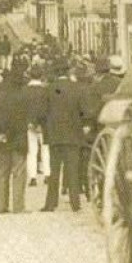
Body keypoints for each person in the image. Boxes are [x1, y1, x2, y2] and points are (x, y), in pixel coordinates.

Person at [42, 62, 87, 213]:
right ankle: (75, 203)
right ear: (68, 72)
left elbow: (44, 112)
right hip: (73, 134)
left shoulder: (49, 89)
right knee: (72, 170)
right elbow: (83, 110)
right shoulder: (76, 88)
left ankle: (51, 203)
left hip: (55, 135)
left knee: (54, 170)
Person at [0, 70, 30, 214]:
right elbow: (22, 120)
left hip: (2, 139)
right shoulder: (23, 97)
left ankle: (2, 205)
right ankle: (18, 206)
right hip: (18, 139)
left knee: (3, 172)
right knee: (19, 172)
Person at [25, 62, 50, 188]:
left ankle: (33, 177)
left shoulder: (25, 90)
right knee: (46, 149)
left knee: (31, 150)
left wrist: (30, 122)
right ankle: (47, 175)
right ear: (41, 76)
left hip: (29, 124)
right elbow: (48, 108)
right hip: (45, 124)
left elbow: (23, 108)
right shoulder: (46, 90)